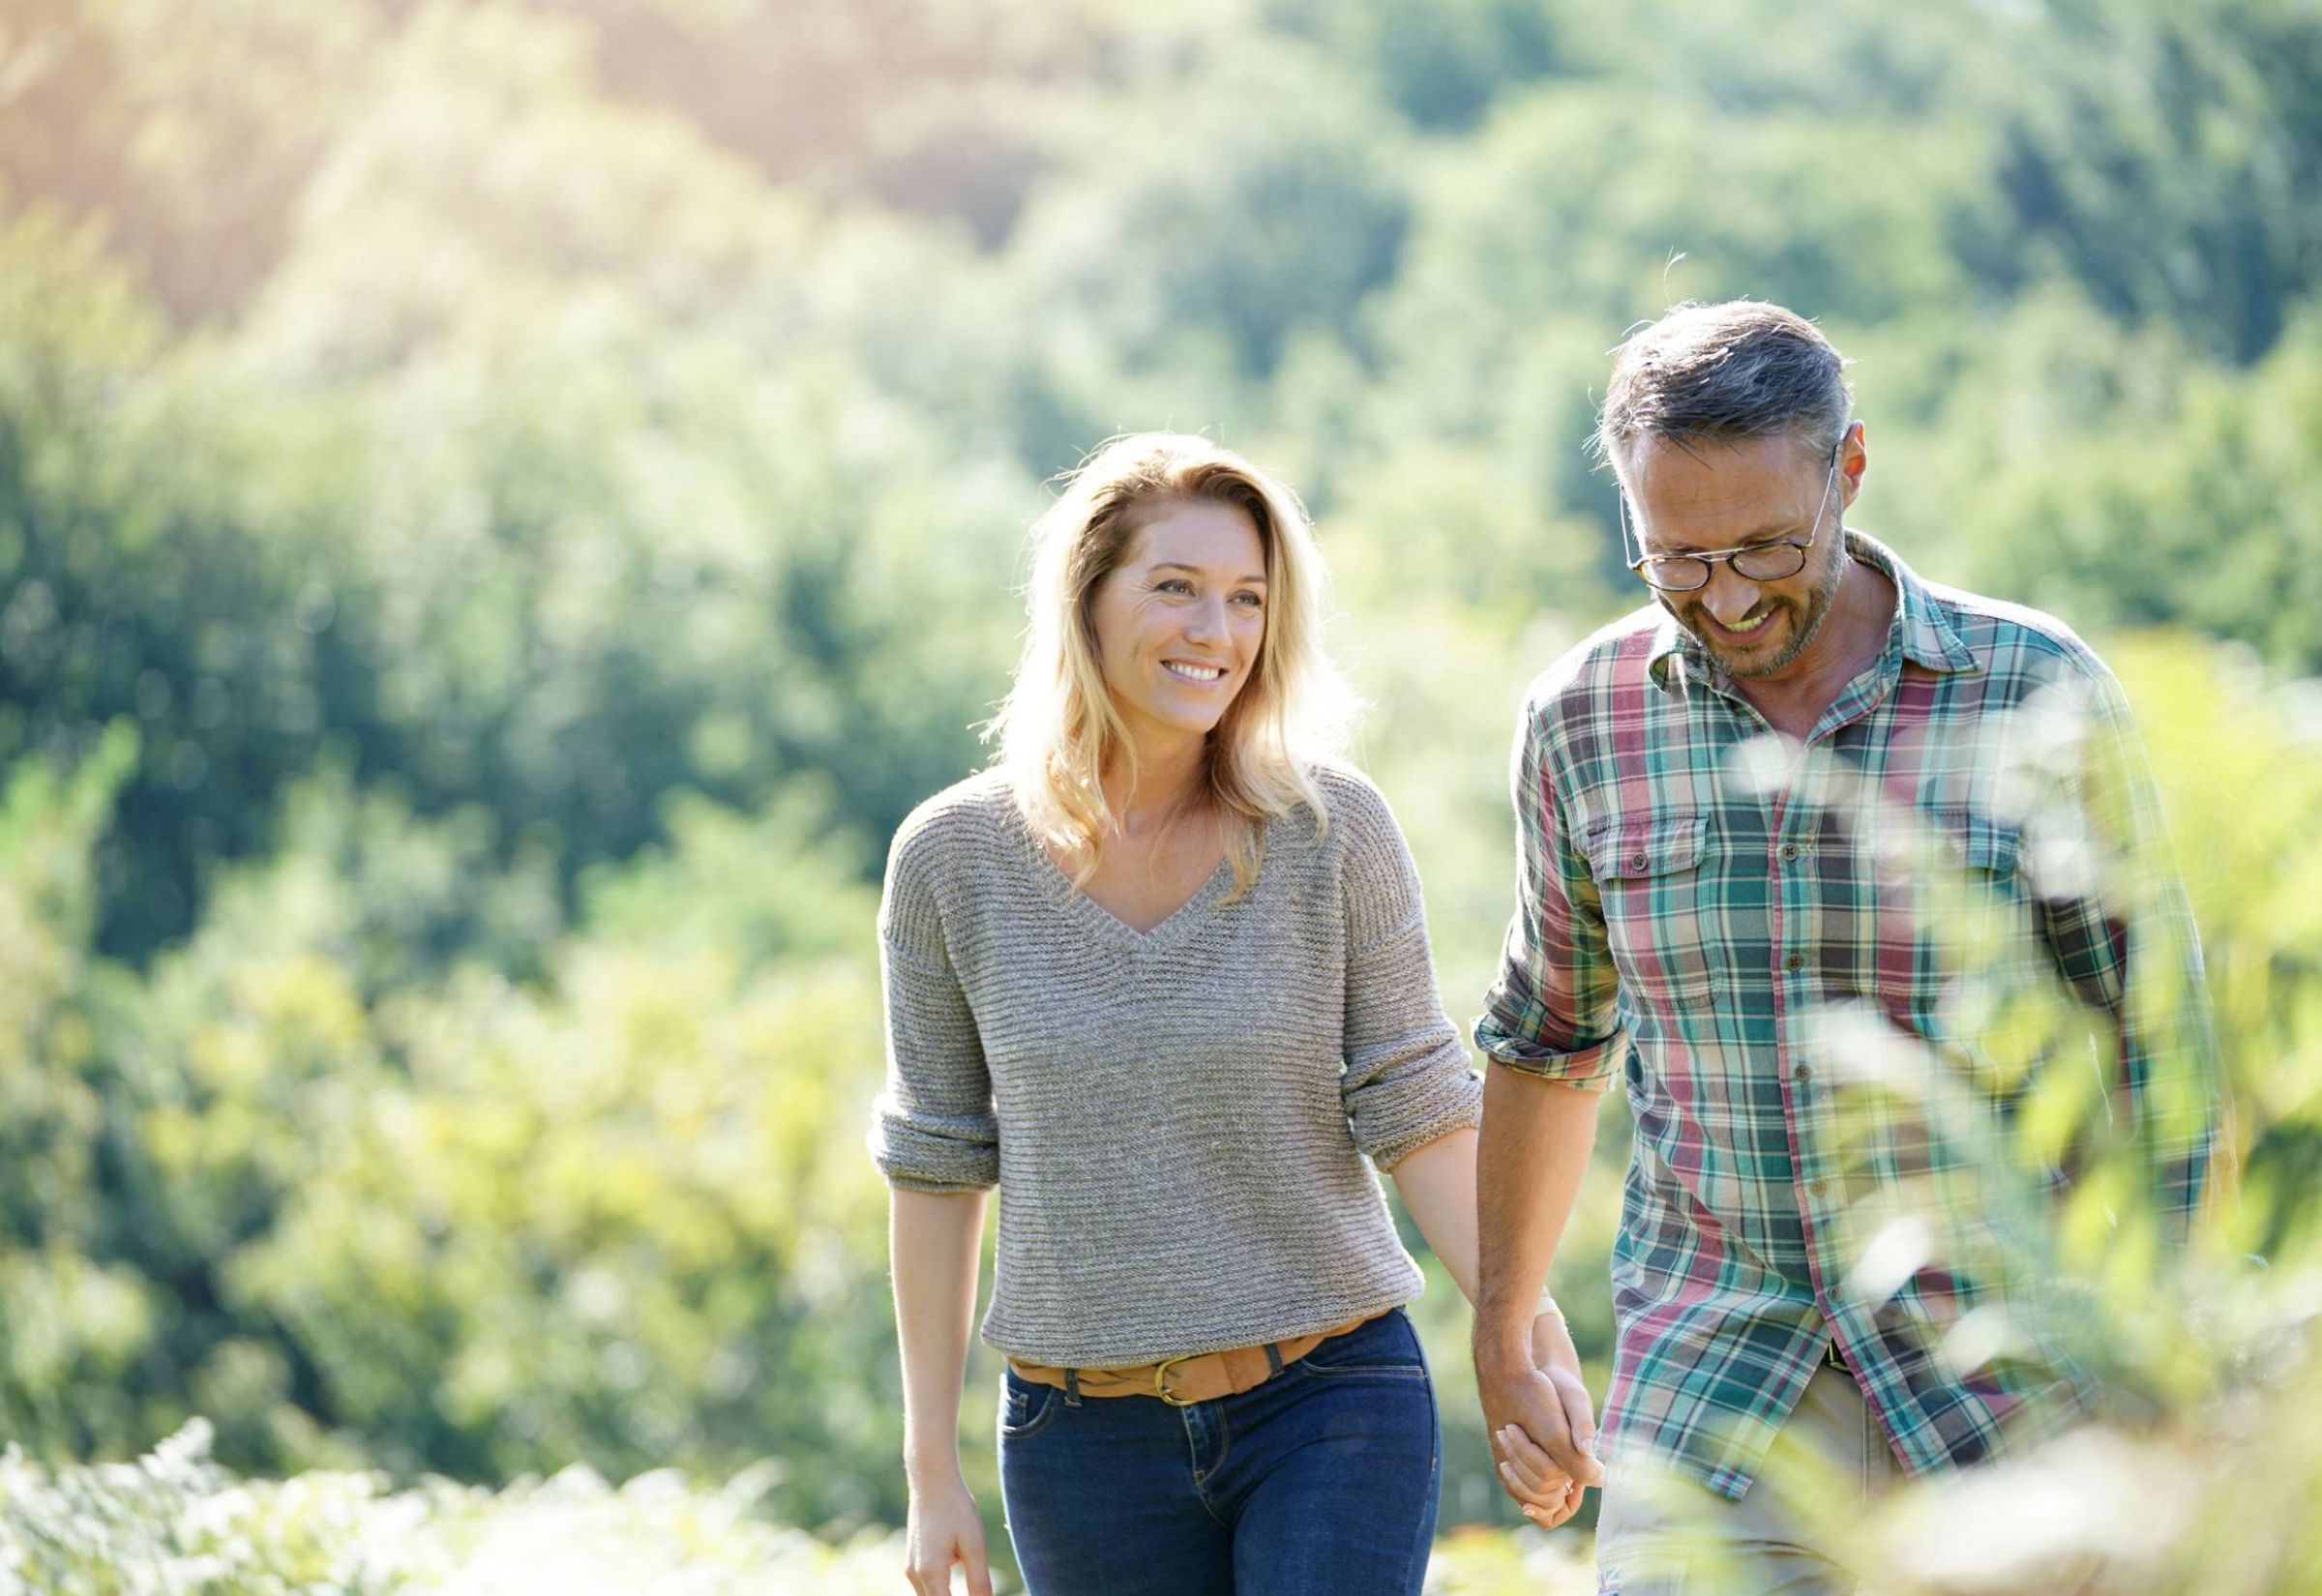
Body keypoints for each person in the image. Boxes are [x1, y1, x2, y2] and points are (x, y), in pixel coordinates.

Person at [1468, 302, 2219, 1594]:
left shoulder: (2032, 686)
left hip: (2010, 1379)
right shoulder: (1580, 720)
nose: (1731, 596)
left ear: (1848, 468)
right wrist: (1502, 1321)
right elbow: (1548, 1038)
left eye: (1766, 545)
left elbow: (2154, 1043)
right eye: (1678, 561)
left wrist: (2184, 1353)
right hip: (1719, 1370)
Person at [871, 433, 1570, 1596]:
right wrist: (928, 1468)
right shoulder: (952, 861)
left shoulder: (1331, 831)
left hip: (1332, 1405)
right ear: (1087, 599)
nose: (1218, 632)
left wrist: (1523, 1330)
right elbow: (937, 1166)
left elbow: (1419, 1105)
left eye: (1248, 599)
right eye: (1176, 589)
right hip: (1080, 1443)